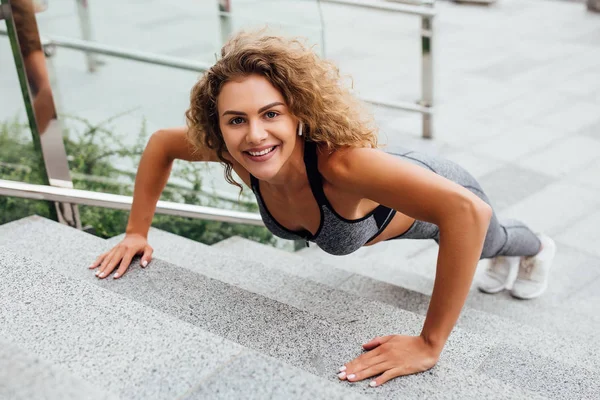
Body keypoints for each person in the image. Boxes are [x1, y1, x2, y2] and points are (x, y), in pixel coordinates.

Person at [89, 30, 556, 387]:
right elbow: (160, 145)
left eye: (271, 113)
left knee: (490, 239)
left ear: (298, 114)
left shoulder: (342, 165)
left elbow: (466, 213)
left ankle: (538, 249)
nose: (255, 135)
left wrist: (428, 344)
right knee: (478, 245)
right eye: (237, 120)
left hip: (444, 192)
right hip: (403, 198)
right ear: (221, 127)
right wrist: (136, 232)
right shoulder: (240, 152)